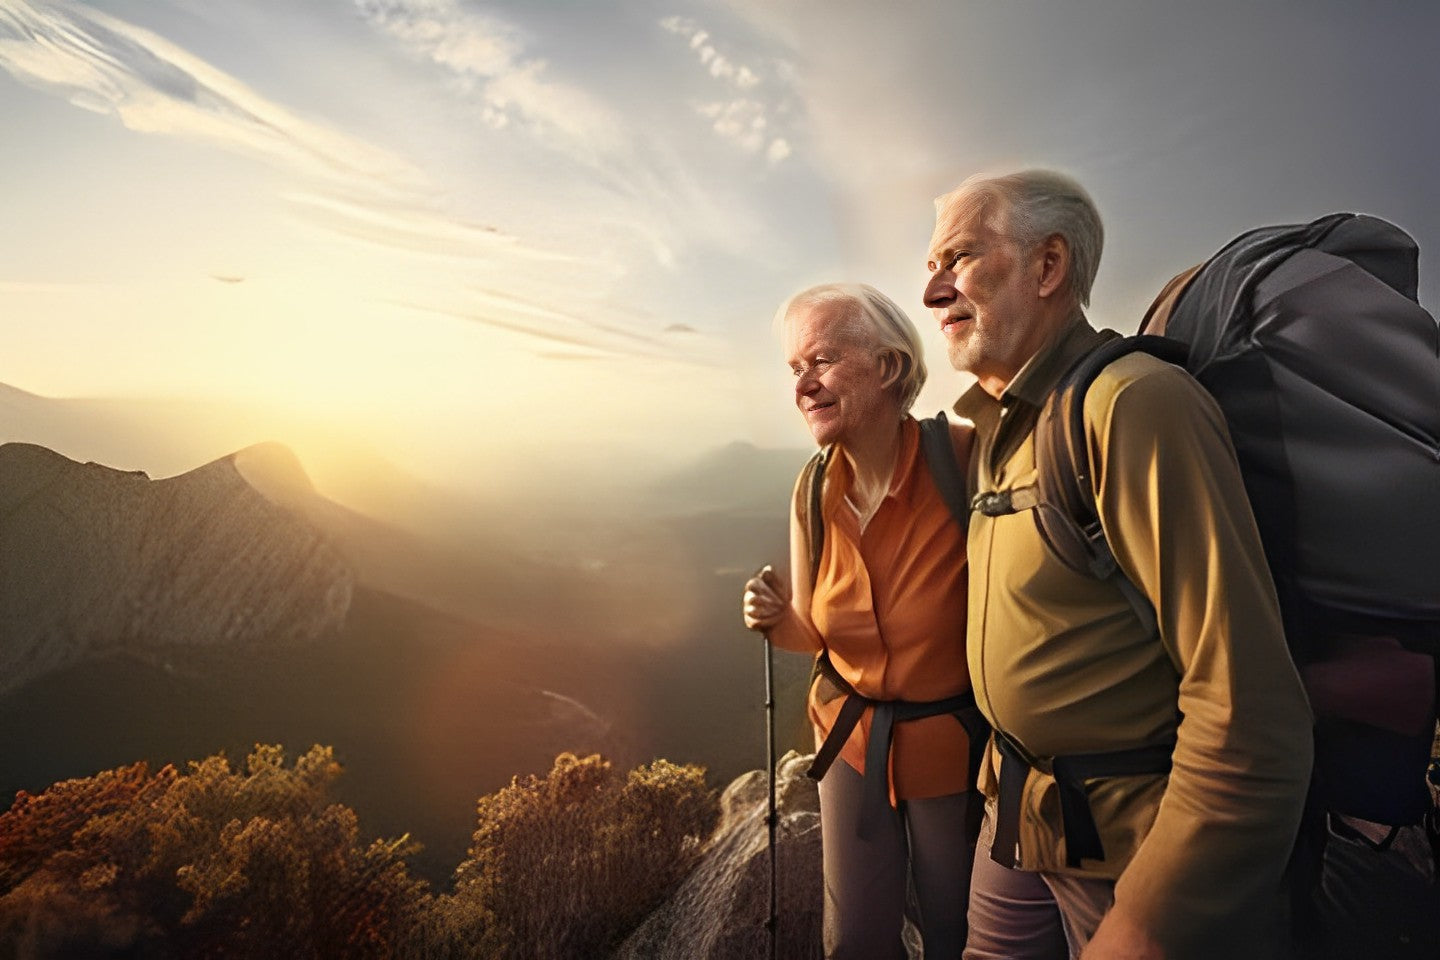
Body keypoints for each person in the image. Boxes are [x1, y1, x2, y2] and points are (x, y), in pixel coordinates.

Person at [920, 169, 1314, 960]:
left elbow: (1250, 712)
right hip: (1021, 823)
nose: (932, 293)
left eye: (957, 258)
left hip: (1130, 855)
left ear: (1049, 265)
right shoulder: (1004, 429)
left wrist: (1151, 922)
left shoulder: (1133, 405)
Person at [741, 283, 1021, 960]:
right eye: (795, 370)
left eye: (822, 360)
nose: (804, 384)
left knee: (959, 938)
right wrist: (776, 621)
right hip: (850, 743)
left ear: (890, 367)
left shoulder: (963, 460)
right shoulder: (812, 487)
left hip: (951, 753)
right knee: (855, 943)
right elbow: (815, 632)